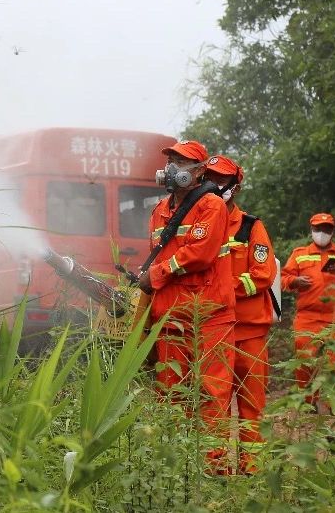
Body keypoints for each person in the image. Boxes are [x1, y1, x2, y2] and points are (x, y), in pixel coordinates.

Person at [138, 140, 234, 446]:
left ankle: (212, 470)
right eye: (171, 161)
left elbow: (200, 254)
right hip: (170, 318)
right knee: (170, 394)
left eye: (181, 162)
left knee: (211, 394)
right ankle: (176, 470)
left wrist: (157, 274)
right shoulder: (159, 211)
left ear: (199, 171)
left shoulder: (212, 205)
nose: (172, 169)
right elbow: (157, 254)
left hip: (208, 315)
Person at [203, 155, 276, 474]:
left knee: (251, 408)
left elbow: (262, 273)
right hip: (213, 332)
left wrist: (225, 288)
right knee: (212, 408)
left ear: (236, 186)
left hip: (250, 334)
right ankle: (216, 474)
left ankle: (251, 472)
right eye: (208, 178)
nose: (215, 186)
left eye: (221, 181)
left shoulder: (250, 227)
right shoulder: (199, 225)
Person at [281, 212, 335, 404]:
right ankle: (308, 405)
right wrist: (295, 281)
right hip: (308, 318)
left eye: (326, 229)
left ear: (333, 231)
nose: (321, 233)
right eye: (318, 229)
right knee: (305, 361)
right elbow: (283, 279)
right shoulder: (299, 255)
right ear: (311, 230)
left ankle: (334, 406)